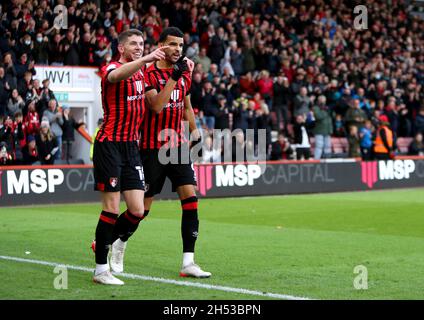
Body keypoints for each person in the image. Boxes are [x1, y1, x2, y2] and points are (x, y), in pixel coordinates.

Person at [120, 27, 209, 278]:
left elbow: (186, 107)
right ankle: (116, 241)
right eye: (172, 44)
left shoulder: (184, 73)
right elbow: (157, 106)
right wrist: (174, 77)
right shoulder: (147, 72)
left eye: (180, 45)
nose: (177, 50)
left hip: (177, 147)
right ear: (160, 45)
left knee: (190, 200)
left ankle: (188, 263)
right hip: (150, 148)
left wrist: (195, 135)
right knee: (141, 210)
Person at [91, 29, 169, 285]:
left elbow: (155, 100)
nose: (138, 46)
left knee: (137, 210)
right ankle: (101, 270)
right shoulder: (112, 67)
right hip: (109, 145)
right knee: (111, 209)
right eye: (133, 43)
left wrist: (178, 72)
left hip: (131, 148)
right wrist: (145, 58)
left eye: (142, 43)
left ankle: (105, 241)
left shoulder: (142, 72)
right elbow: (115, 76)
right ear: (122, 48)